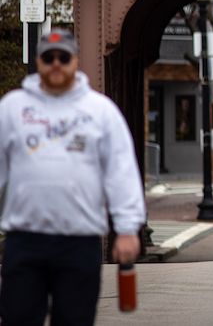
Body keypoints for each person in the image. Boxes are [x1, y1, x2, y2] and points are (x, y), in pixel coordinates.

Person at [0, 29, 146, 326]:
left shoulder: (100, 111)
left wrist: (128, 228)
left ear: (75, 61)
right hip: (24, 241)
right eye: (48, 57)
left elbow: (121, 170)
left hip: (79, 242)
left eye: (63, 57)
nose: (56, 63)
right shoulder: (12, 108)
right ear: (38, 61)